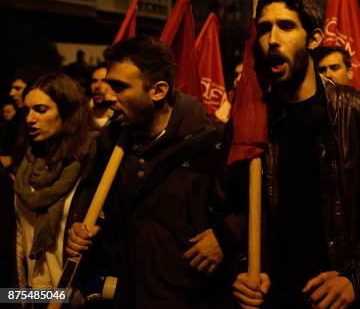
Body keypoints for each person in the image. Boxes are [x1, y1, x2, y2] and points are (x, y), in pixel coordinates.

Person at [230, 0, 360, 309]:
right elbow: (231, 209)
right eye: (264, 29)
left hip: (351, 299)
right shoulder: (248, 123)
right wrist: (245, 270)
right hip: (277, 298)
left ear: (313, 39)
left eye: (285, 26)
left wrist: (355, 276)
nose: (272, 39)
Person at [66, 36, 233, 308]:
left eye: (119, 88)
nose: (108, 97)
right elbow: (91, 203)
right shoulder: (109, 142)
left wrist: (224, 237)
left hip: (190, 298)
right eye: (109, 86)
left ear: (158, 91)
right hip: (125, 295)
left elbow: (251, 208)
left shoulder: (211, 141)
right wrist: (79, 230)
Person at [14, 73, 98, 289]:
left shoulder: (93, 163)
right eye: (27, 110)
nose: (29, 119)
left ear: (68, 112)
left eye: (40, 110)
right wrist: (13, 295)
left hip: (74, 295)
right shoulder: (25, 164)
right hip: (31, 293)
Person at [89, 62, 113, 127]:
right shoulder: (82, 119)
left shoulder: (122, 122)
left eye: (104, 81)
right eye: (94, 81)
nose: (97, 86)